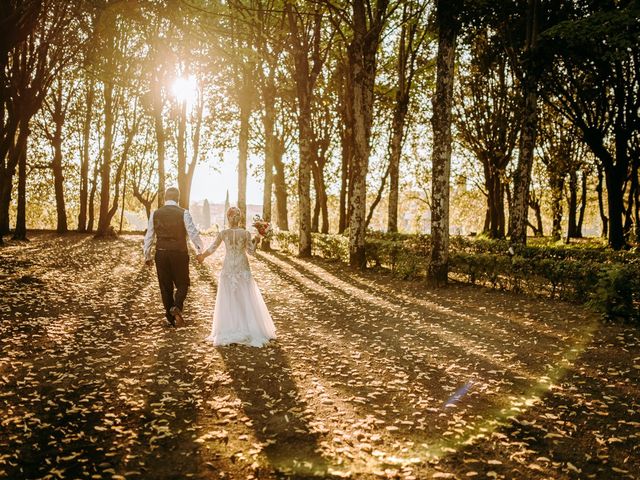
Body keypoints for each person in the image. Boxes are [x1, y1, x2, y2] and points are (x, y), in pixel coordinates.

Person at [196, 207, 276, 347]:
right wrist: (257, 239)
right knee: (244, 296)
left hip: (228, 268)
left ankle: (230, 326)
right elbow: (251, 252)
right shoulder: (245, 234)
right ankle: (248, 326)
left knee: (229, 297)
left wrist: (202, 256)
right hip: (242, 267)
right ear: (239, 218)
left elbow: (212, 248)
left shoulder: (223, 233)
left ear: (228, 218)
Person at [143, 187, 203, 327]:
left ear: (165, 198)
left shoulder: (155, 213)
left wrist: (147, 255)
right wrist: (199, 250)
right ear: (178, 198)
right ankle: (177, 306)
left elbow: (149, 236)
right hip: (179, 253)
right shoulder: (184, 213)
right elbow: (193, 233)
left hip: (161, 253)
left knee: (165, 286)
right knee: (183, 283)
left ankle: (171, 319)